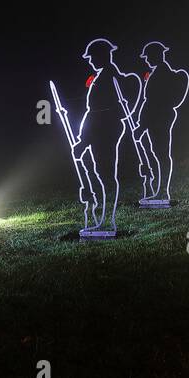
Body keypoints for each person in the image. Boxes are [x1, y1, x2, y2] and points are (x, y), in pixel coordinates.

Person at [73, 38, 143, 234]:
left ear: (103, 56)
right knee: (100, 172)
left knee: (105, 174)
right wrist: (83, 139)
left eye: (93, 57)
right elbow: (94, 113)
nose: (90, 61)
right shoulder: (102, 76)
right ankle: (102, 216)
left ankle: (107, 220)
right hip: (97, 129)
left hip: (104, 130)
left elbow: (100, 114)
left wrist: (84, 140)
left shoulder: (110, 78)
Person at [133, 41, 189, 205]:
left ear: (157, 55)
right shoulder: (156, 73)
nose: (146, 60)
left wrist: (142, 126)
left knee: (161, 155)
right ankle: (159, 190)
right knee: (158, 154)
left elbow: (153, 103)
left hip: (158, 119)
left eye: (148, 56)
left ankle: (163, 191)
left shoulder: (161, 74)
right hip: (153, 119)